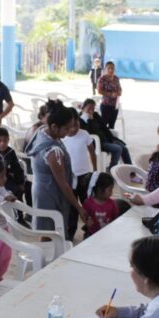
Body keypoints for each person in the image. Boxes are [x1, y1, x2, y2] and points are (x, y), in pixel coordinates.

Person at [24, 100, 87, 240]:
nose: (69, 131)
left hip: (41, 187)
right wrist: (79, 207)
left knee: (48, 229)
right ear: (54, 127)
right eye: (66, 128)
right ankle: (48, 260)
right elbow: (63, 184)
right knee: (49, 233)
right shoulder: (53, 152)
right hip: (49, 193)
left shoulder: (41, 131)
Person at [62, 112, 97, 240]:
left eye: (76, 125)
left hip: (85, 176)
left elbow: (92, 153)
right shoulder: (62, 138)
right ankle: (70, 231)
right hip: (70, 177)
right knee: (72, 206)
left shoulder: (84, 134)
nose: (73, 129)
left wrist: (95, 170)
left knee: (87, 203)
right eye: (70, 127)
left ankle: (89, 228)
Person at [79, 98, 134, 170]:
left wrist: (111, 139)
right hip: (97, 143)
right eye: (89, 108)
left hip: (106, 139)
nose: (91, 111)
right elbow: (87, 133)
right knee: (118, 149)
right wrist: (90, 120)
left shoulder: (95, 115)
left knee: (124, 148)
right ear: (83, 108)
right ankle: (112, 169)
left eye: (93, 108)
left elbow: (104, 127)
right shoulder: (79, 119)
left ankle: (131, 171)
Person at [83, 172, 119, 237]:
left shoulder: (112, 203)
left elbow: (115, 218)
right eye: (110, 190)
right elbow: (83, 215)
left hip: (108, 234)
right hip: (92, 235)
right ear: (100, 190)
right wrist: (86, 221)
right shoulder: (88, 203)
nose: (111, 193)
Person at [96, 61, 122, 130]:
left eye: (112, 68)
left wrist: (118, 93)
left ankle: (111, 140)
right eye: (109, 68)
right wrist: (110, 94)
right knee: (103, 126)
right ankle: (104, 140)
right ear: (105, 69)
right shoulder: (102, 79)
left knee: (112, 126)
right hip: (106, 105)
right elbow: (99, 91)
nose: (111, 70)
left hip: (115, 106)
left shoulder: (116, 78)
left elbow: (120, 89)